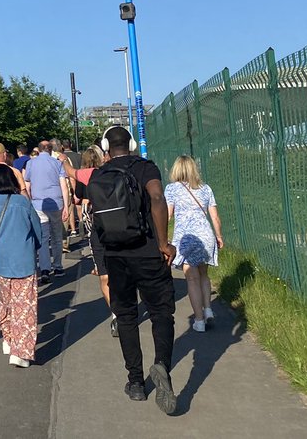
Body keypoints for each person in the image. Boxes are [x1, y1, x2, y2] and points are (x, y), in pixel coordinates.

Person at [89, 126, 177, 414]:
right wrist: (163, 243)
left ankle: (136, 382)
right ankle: (162, 365)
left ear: (105, 147)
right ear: (132, 143)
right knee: (161, 311)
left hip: (115, 256)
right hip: (148, 251)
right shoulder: (145, 167)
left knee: (126, 316)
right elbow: (156, 198)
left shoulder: (99, 175)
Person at [0, 165, 47, 368]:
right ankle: (20, 351)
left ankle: (8, 337)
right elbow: (37, 229)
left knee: (6, 301)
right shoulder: (23, 202)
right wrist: (35, 248)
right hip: (23, 258)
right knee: (24, 305)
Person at [165, 155, 225, 333]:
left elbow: (167, 215)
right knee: (204, 274)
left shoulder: (171, 189)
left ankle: (199, 320)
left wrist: (161, 237)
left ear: (176, 169)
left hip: (186, 238)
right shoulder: (205, 189)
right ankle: (208, 309)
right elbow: (214, 216)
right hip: (206, 235)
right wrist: (219, 236)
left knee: (192, 278)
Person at [74, 146, 115, 337]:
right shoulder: (107, 174)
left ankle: (115, 313)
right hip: (111, 220)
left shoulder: (82, 175)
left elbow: (77, 198)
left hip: (92, 219)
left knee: (104, 275)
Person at [25, 141, 70, 280]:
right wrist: (66, 206)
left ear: (38, 150)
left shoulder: (30, 164)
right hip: (56, 203)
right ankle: (57, 266)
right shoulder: (57, 163)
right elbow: (64, 186)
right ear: (51, 150)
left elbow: (27, 186)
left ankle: (44, 268)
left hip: (38, 204)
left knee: (43, 238)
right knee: (56, 236)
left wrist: (29, 204)